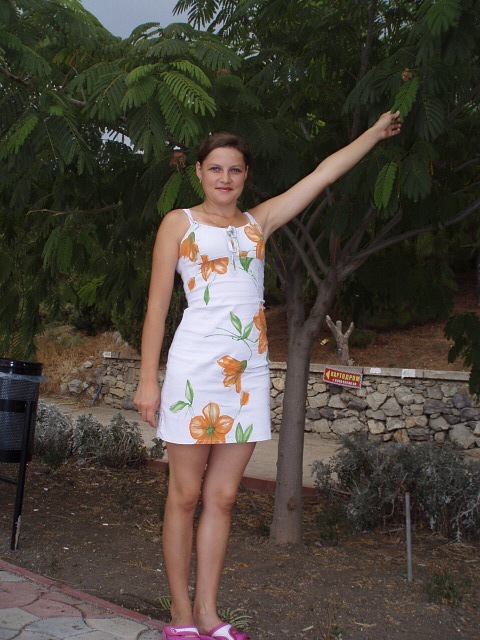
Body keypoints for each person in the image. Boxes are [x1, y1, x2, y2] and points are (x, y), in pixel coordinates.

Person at [133, 110, 402, 640]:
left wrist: (372, 134)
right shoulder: (178, 224)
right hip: (193, 373)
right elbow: (157, 307)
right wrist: (148, 379)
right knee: (183, 495)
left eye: (235, 170)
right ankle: (180, 616)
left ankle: (208, 613)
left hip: (247, 376)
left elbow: (322, 175)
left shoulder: (258, 223)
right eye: (215, 168)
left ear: (245, 176)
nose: (225, 178)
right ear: (199, 173)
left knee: (223, 498)